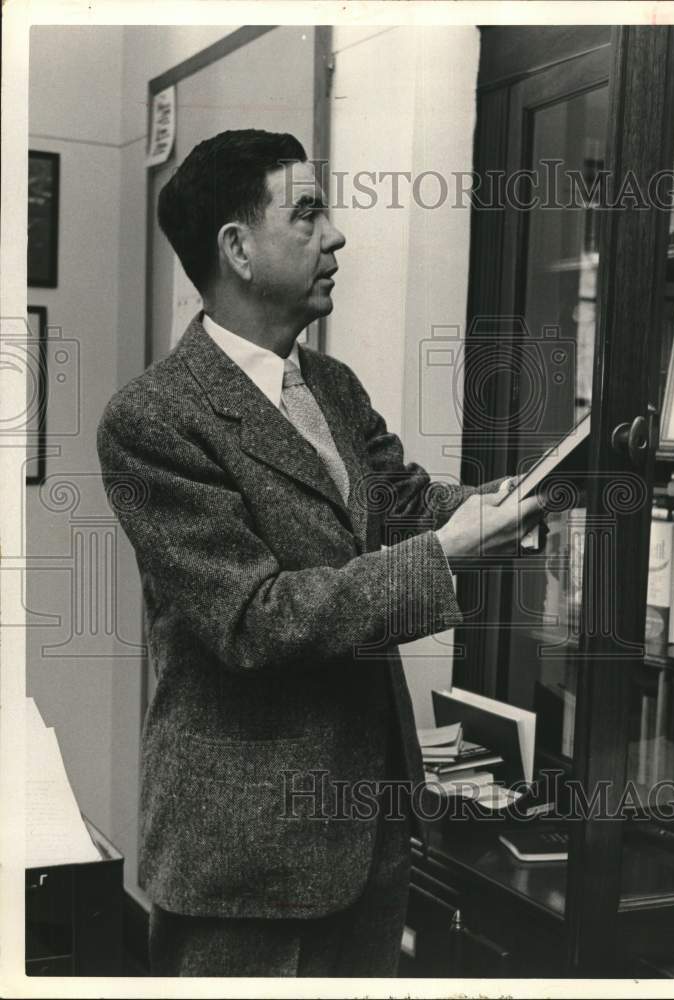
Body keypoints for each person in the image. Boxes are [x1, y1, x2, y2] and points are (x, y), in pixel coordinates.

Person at [96, 129, 540, 977]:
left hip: (371, 840)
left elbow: (404, 504)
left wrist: (523, 497)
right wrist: (446, 552)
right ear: (239, 249)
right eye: (307, 213)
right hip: (246, 869)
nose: (336, 235)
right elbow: (255, 619)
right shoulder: (153, 420)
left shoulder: (330, 385)